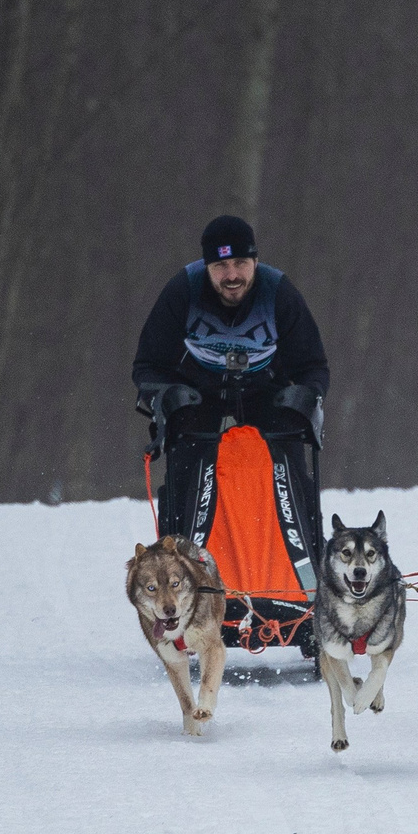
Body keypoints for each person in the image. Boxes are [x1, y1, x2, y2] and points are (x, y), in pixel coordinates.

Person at [132, 216, 328, 618]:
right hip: (198, 389)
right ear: (207, 267)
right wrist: (163, 397)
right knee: (187, 471)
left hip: (265, 389)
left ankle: (302, 581)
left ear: (255, 262)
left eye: (240, 263)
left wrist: (304, 398)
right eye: (221, 267)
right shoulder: (182, 291)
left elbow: (314, 366)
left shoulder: (279, 292)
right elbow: (148, 365)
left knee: (286, 470)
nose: (232, 275)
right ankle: (185, 588)